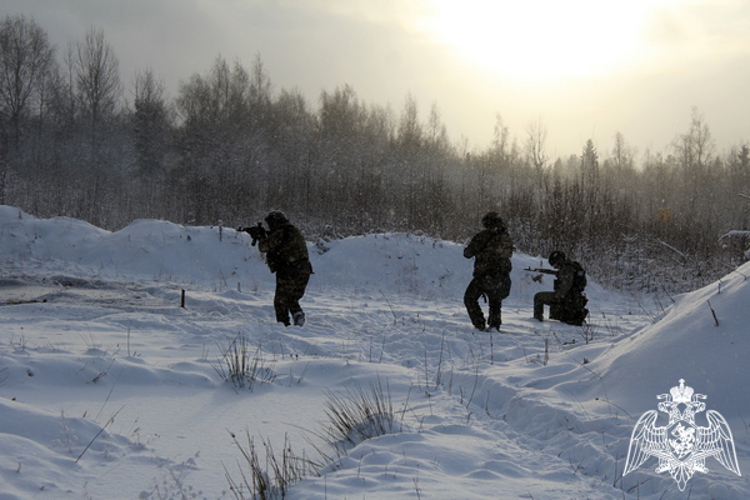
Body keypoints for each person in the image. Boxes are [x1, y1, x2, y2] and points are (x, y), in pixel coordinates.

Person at [245, 211, 313, 327]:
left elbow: (263, 247)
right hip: (304, 269)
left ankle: (283, 326)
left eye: (270, 224)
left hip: (289, 270)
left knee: (280, 301)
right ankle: (297, 314)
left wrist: (261, 237)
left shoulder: (282, 232)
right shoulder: (293, 230)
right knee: (291, 298)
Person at [463, 211, 514, 331]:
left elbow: (468, 253)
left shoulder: (484, 235)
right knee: (495, 300)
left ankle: (479, 324)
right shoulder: (506, 237)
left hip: (486, 274)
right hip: (503, 275)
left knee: (469, 298)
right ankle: (495, 325)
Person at [533, 251, 588, 326]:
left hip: (567, 297)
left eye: (555, 265)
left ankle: (536, 320)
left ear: (559, 261)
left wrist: (559, 295)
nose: (555, 267)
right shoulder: (570, 267)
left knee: (538, 297)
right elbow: (560, 274)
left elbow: (567, 284)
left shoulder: (567, 268)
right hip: (572, 297)